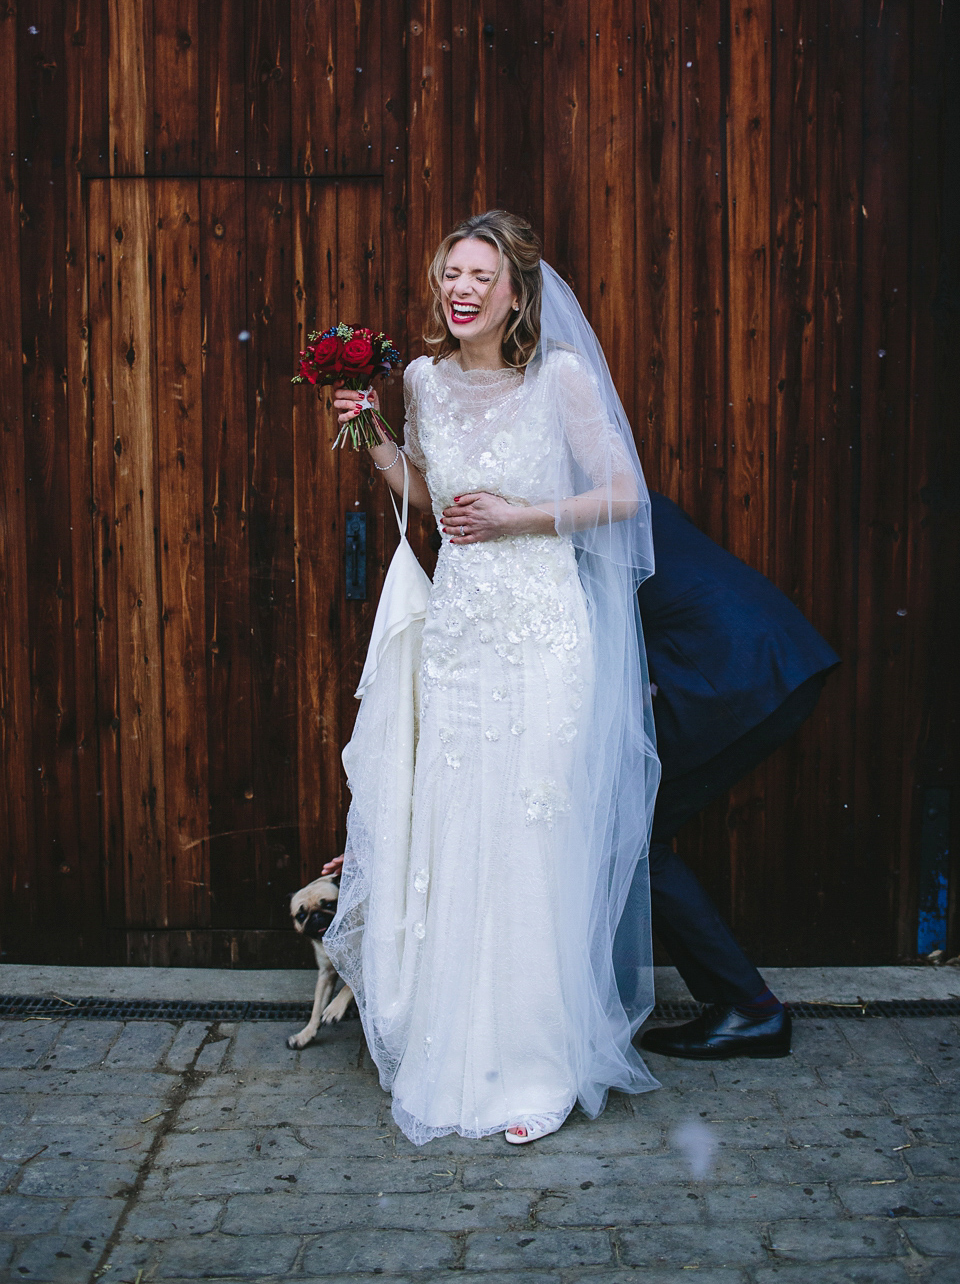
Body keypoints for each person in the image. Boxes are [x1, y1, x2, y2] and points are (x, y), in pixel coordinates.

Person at [322, 211, 662, 1146]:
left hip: (545, 631)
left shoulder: (559, 377)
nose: (459, 290)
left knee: (530, 835)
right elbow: (429, 494)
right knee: (461, 826)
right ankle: (459, 1053)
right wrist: (373, 438)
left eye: (478, 276)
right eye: (448, 276)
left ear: (517, 291)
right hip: (463, 636)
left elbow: (624, 497)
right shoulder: (425, 380)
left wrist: (525, 517)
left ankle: (540, 1067)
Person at [627, 492, 840, 1059]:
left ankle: (750, 1009)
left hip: (738, 673)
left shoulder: (575, 509)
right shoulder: (619, 485)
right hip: (764, 658)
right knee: (634, 840)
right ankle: (743, 1006)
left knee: (636, 844)